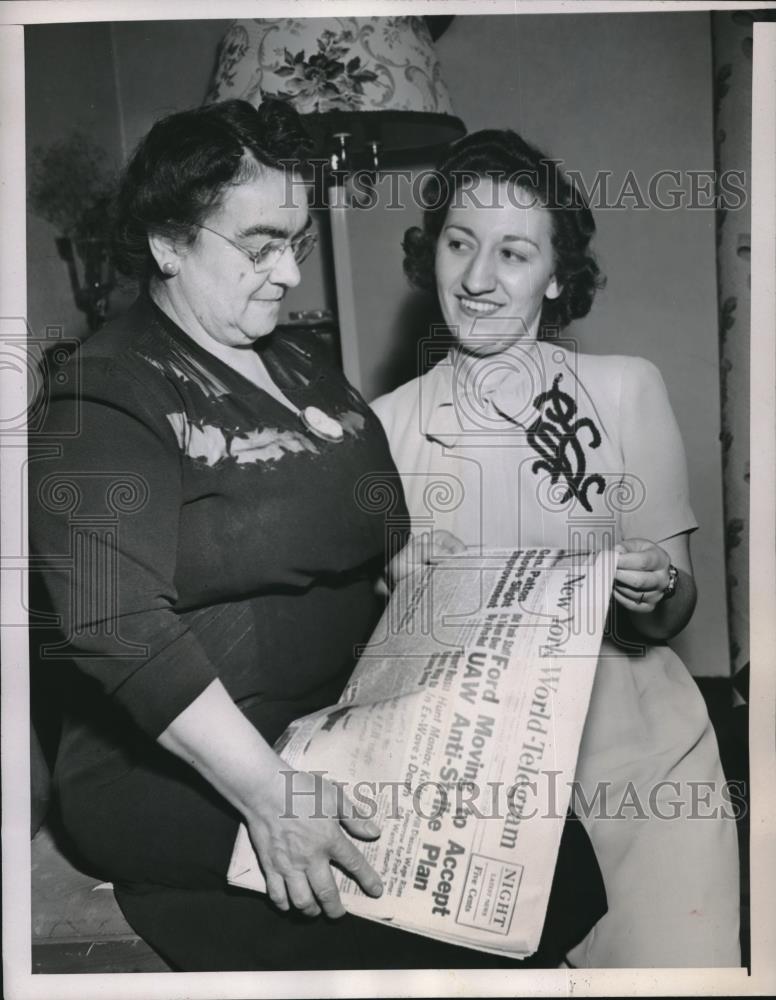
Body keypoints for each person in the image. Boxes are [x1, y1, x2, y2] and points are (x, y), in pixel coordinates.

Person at [29, 101, 606, 971]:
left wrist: (491, 592)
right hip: (188, 760)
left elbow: (386, 544)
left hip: (335, 716)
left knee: (560, 867)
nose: (288, 276)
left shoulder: (299, 364)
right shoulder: (106, 392)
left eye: (295, 244)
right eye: (258, 245)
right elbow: (116, 626)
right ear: (168, 243)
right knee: (439, 917)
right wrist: (272, 795)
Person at [371, 128, 741, 968]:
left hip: (644, 777)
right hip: (476, 802)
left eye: (513, 252)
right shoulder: (384, 428)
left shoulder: (622, 389)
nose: (477, 277)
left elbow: (675, 608)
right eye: (460, 243)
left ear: (557, 276)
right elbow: (388, 656)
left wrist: (650, 590)